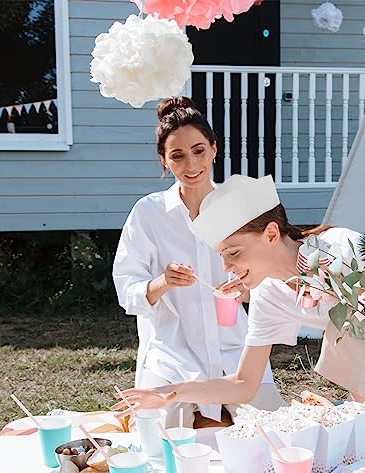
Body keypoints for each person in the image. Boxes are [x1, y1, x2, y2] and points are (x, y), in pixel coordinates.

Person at [113, 174, 365, 423]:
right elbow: (244, 383)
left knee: (343, 336)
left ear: (271, 233)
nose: (226, 267)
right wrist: (168, 393)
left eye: (234, 253)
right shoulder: (268, 293)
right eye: (222, 256)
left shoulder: (339, 249)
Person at [112, 103, 284, 429]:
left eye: (199, 151)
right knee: (160, 447)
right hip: (172, 353)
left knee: (272, 435)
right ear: (164, 159)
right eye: (177, 155)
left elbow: (271, 281)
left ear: (214, 149)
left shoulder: (240, 208)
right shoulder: (148, 213)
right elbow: (127, 292)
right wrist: (163, 282)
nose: (191, 164)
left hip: (234, 348)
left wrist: (247, 288)